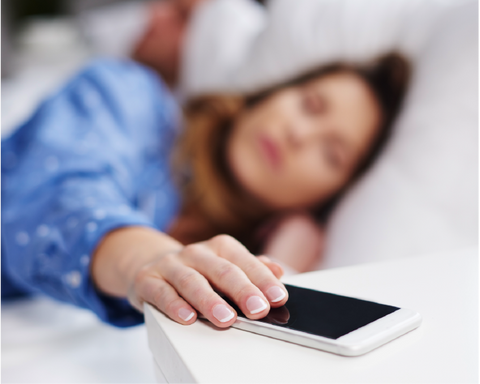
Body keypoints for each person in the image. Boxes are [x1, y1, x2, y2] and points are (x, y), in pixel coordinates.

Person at [0, 1, 409, 329]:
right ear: (267, 95)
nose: (299, 135)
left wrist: (288, 262)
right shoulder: (129, 95)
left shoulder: (261, 253)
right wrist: (144, 261)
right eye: (309, 104)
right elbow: (58, 192)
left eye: (331, 153)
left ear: (329, 195)